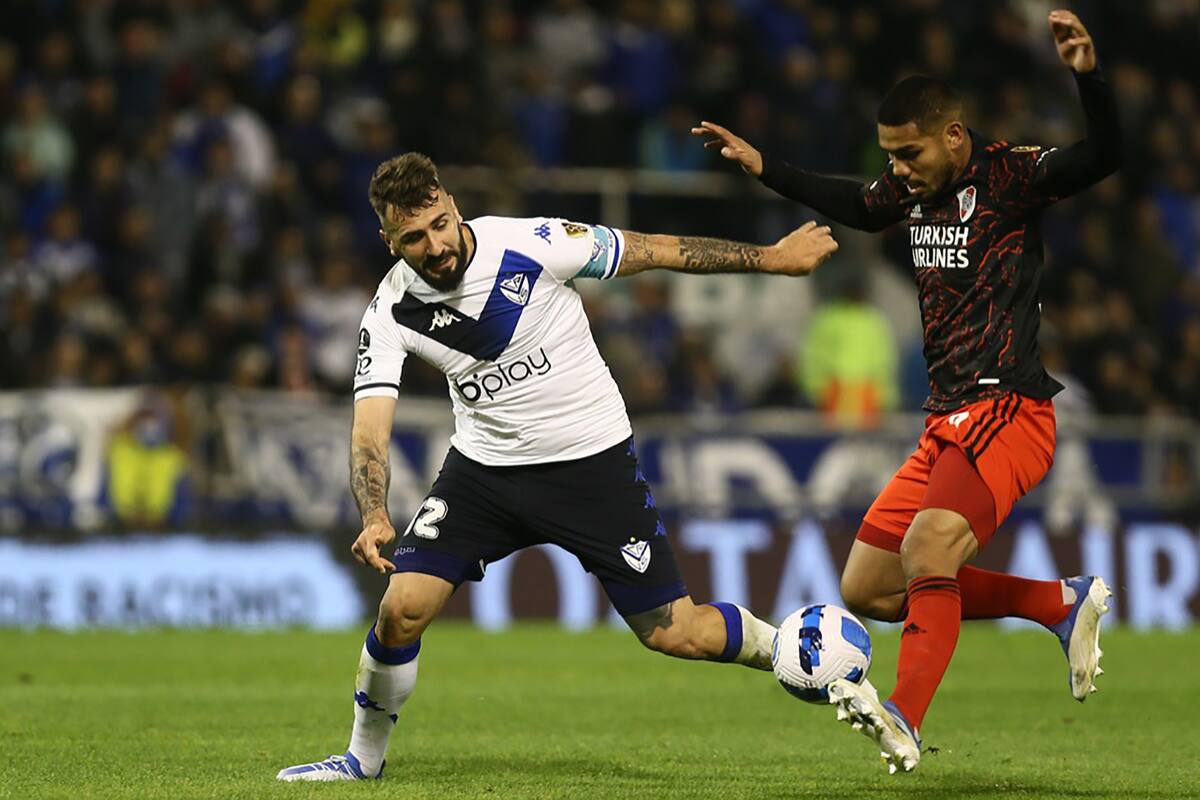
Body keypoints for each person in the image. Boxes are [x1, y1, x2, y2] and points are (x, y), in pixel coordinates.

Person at [276, 152, 839, 781]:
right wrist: (375, 514)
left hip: (589, 466)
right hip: (485, 474)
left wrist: (772, 258)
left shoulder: (534, 243)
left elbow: (653, 248)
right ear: (388, 241)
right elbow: (369, 432)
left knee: (677, 633)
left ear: (452, 205)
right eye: (413, 237)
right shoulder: (388, 313)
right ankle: (362, 762)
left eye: (439, 223)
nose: (434, 245)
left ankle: (792, 652)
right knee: (400, 608)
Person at [694, 9, 1119, 773]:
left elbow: (1105, 155)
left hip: (1008, 405)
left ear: (953, 135)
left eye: (909, 153)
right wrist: (765, 167)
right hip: (945, 418)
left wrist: (1088, 77)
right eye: (890, 155)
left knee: (928, 548)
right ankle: (1060, 604)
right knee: (871, 588)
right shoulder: (908, 188)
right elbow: (859, 206)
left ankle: (904, 717)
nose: (899, 169)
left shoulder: (1010, 176)